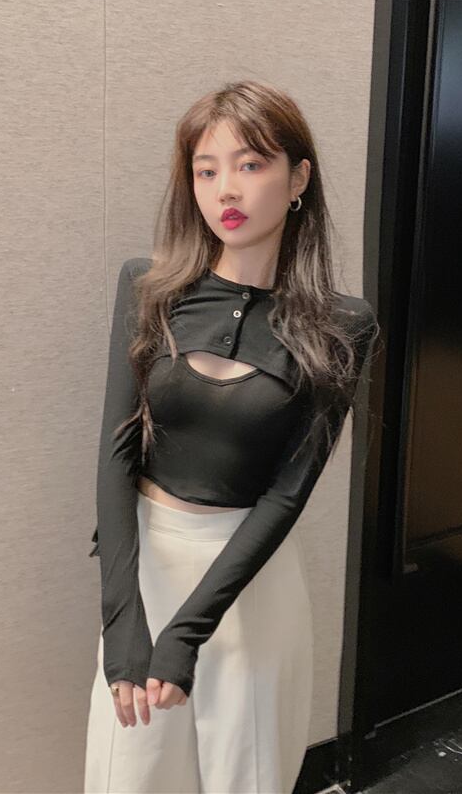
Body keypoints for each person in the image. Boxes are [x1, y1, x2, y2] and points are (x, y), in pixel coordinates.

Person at [84, 79, 379, 794]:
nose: (227, 189)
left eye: (251, 164)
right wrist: (124, 622)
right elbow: (116, 455)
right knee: (131, 778)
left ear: (298, 178)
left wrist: (191, 630)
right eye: (206, 169)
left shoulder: (343, 324)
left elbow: (289, 491)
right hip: (147, 568)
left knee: (244, 777)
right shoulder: (148, 288)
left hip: (251, 584)